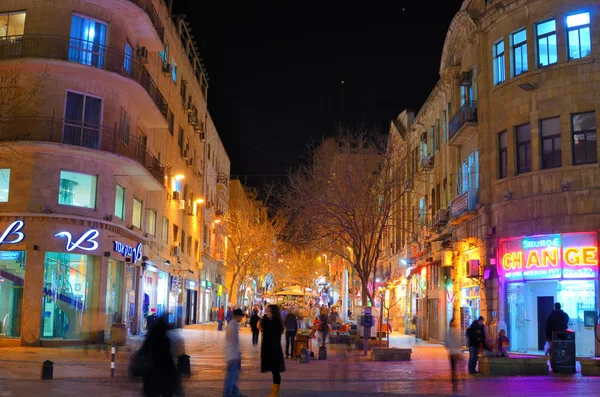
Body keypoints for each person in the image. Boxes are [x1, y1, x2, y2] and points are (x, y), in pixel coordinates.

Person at [140, 315, 182, 396]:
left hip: (152, 374)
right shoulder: (166, 340)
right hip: (164, 374)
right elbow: (169, 358)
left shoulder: (150, 338)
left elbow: (144, 352)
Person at [261, 305, 285, 397]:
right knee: (274, 371)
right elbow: (261, 327)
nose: (267, 313)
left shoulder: (276, 323)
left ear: (273, 313)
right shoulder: (270, 322)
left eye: (269, 311)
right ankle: (275, 392)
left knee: (275, 371)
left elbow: (271, 333)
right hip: (270, 349)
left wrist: (265, 321)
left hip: (274, 350)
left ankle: (275, 393)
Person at [223, 309, 244, 397]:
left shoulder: (233, 324)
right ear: (238, 316)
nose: (242, 318)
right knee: (231, 376)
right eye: (241, 316)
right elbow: (232, 340)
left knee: (234, 375)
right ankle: (227, 394)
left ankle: (235, 393)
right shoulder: (233, 325)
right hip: (232, 354)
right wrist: (236, 353)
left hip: (232, 354)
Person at [446, 318, 462, 391]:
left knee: (454, 368)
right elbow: (459, 342)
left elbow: (446, 343)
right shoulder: (456, 331)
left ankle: (454, 383)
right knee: (456, 368)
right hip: (455, 352)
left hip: (452, 352)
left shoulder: (449, 331)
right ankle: (455, 383)